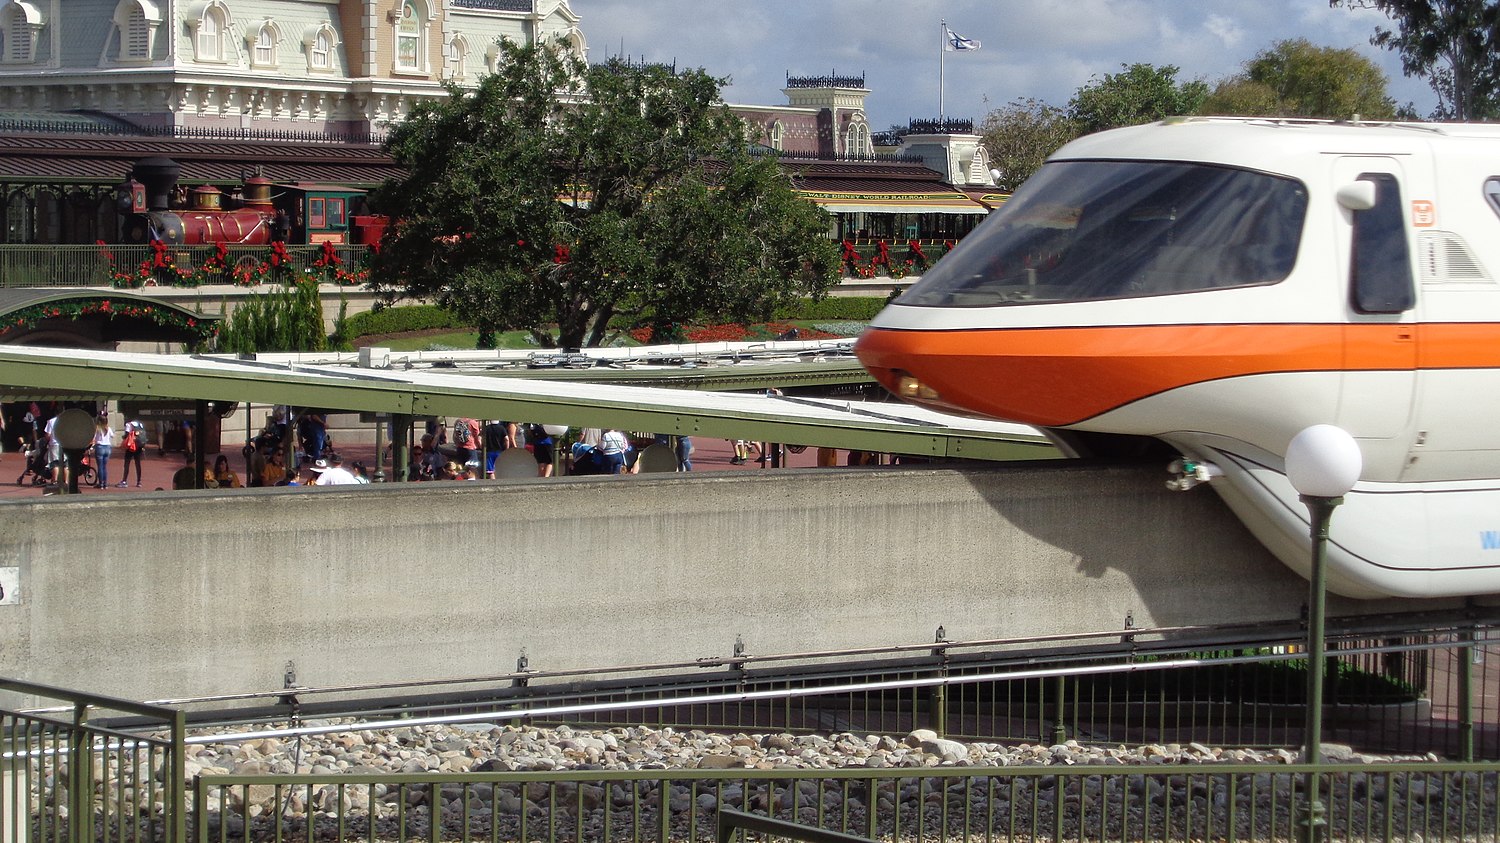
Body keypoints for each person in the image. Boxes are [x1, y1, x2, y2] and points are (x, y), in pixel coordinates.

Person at [117, 419, 145, 487]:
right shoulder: (140, 424)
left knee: (127, 464)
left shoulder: (129, 424)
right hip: (139, 446)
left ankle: (124, 481)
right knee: (138, 464)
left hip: (131, 446)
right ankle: (139, 482)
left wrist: (123, 438)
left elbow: (127, 435)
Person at [91, 414, 113, 490]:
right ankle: (105, 484)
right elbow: (112, 436)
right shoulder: (108, 428)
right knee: (104, 466)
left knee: (100, 466)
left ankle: (101, 484)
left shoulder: (97, 429)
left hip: (100, 447)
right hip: (107, 447)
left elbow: (93, 438)